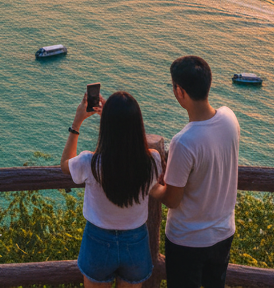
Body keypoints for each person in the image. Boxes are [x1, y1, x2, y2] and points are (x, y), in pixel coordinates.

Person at [61, 90, 164, 288]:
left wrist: (77, 123)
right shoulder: (152, 161)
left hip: (98, 240)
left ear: (105, 126)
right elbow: (132, 147)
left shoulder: (90, 162)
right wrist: (117, 118)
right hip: (136, 240)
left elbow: (66, 164)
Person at [153, 56, 239, 288]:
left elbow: (172, 199)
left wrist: (153, 187)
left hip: (188, 241)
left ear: (180, 91)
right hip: (223, 233)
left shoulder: (184, 142)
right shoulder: (230, 118)